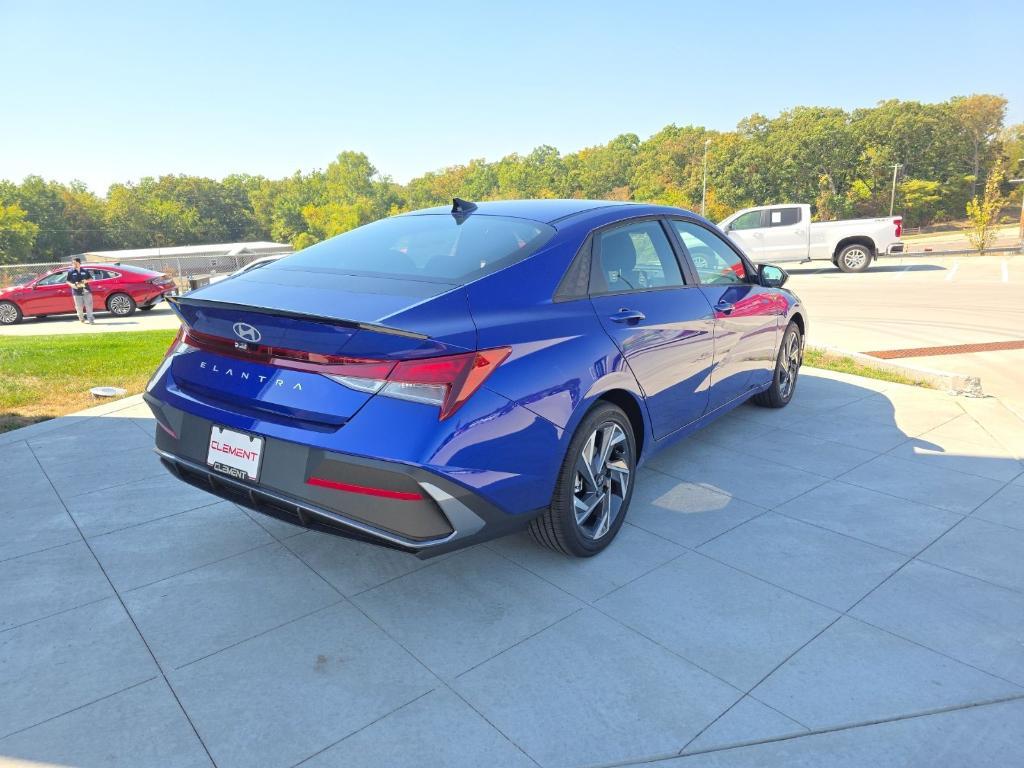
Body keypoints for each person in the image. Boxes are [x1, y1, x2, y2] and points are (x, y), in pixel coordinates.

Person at [66, 257, 95, 324]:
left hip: (86, 291)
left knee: (89, 306)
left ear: (79, 263)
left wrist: (86, 281)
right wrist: (72, 285)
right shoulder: (70, 272)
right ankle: (81, 318)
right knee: (79, 307)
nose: (74, 264)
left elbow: (91, 279)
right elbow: (67, 281)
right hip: (76, 292)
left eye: (75, 263)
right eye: (73, 263)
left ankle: (91, 320)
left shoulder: (85, 271)